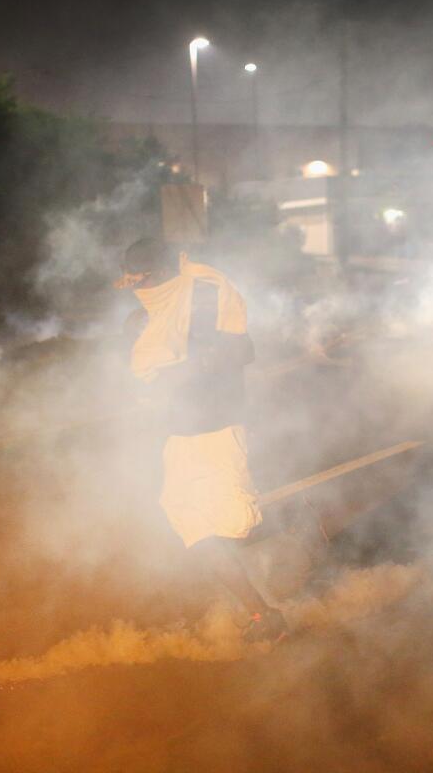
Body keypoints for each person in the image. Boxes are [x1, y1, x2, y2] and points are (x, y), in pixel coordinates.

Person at [121, 238, 288, 643]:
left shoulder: (206, 300)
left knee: (228, 526)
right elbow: (150, 373)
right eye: (133, 280)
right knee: (194, 529)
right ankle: (262, 613)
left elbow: (242, 349)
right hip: (181, 437)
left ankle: (275, 582)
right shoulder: (150, 316)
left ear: (162, 274)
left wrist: (194, 364)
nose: (137, 288)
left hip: (216, 432)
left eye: (142, 278)